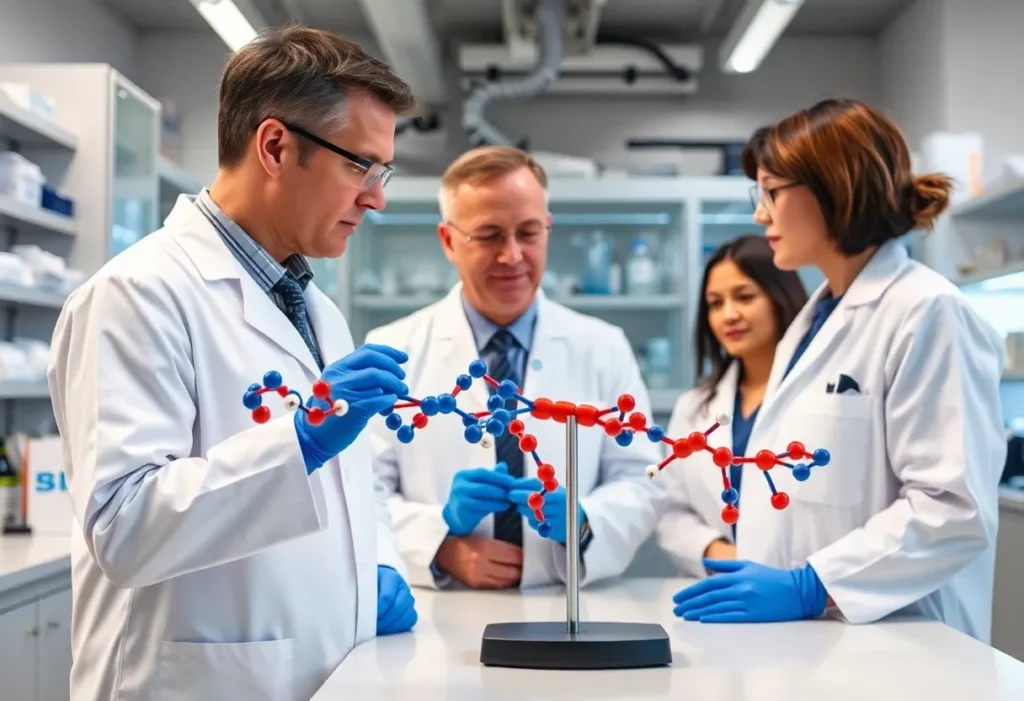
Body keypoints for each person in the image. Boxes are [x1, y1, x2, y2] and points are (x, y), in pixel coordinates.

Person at [47, 25, 421, 701]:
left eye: (382, 171)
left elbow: (354, 489)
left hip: (324, 673)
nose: (376, 197)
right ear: (275, 147)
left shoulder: (317, 311)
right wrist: (297, 440)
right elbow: (123, 525)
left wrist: (377, 566)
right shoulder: (137, 296)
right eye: (360, 166)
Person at [669, 98, 1007, 643]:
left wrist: (812, 584)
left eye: (772, 193)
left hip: (905, 645)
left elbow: (951, 510)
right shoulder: (813, 324)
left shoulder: (926, 311)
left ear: (834, 188)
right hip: (813, 643)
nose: (761, 214)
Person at [366, 145, 666, 590]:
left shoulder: (603, 347)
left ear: (548, 229)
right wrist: (439, 541)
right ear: (448, 241)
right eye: (488, 236)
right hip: (440, 613)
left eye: (528, 233)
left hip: (564, 605)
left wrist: (583, 520)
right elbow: (363, 491)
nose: (512, 256)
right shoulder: (393, 349)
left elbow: (641, 479)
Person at [656, 235, 807, 578]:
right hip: (720, 588)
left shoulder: (819, 395)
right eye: (714, 303)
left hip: (802, 591)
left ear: (780, 297)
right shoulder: (694, 407)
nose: (729, 315)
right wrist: (715, 551)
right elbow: (670, 509)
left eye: (745, 297)